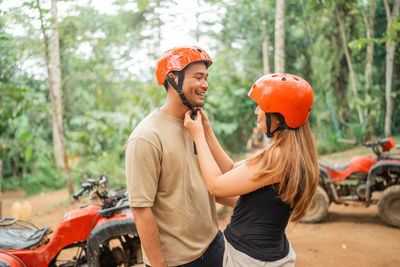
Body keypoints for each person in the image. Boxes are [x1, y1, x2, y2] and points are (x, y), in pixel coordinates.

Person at [184, 73, 319, 266]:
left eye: (262, 107)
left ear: (279, 116)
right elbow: (231, 169)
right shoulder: (291, 154)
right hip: (270, 256)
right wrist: (207, 131)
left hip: (248, 259)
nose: (257, 112)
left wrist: (197, 137)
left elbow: (216, 186)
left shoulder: (276, 158)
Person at [125, 45, 236, 267]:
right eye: (198, 77)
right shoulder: (146, 137)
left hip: (214, 245)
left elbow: (218, 181)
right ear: (173, 78)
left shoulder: (195, 124)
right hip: (178, 262)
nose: (205, 85)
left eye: (206, 78)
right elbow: (140, 210)